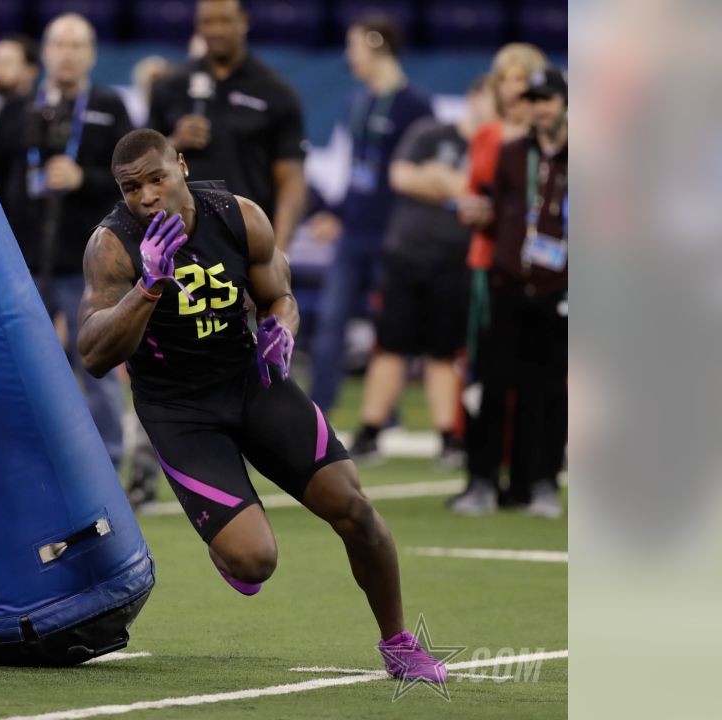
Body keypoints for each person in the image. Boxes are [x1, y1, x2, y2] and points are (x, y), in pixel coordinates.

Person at [78, 128, 447, 682]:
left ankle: (398, 644)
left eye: (157, 178)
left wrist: (283, 325)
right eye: (133, 189)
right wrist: (148, 287)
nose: (148, 196)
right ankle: (229, 544)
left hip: (252, 379)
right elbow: (93, 353)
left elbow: (281, 293)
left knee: (355, 510)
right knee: (254, 560)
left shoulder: (237, 214)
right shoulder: (112, 245)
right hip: (180, 410)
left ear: (180, 165)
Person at [0, 13, 133, 472]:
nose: (67, 54)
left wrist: (82, 178)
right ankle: (23, 460)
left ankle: (107, 465)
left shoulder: (110, 107)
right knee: (20, 366)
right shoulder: (16, 110)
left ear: (91, 55)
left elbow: (132, 185)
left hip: (93, 264)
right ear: (44, 54)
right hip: (25, 261)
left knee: (99, 366)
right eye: (59, 45)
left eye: (77, 46)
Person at [349, 76, 495, 468]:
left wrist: (442, 179)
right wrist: (459, 190)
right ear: (473, 96)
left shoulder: (493, 147)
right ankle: (370, 431)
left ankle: (448, 437)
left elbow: (484, 198)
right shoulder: (430, 132)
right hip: (406, 254)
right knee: (390, 346)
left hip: (456, 260)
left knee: (443, 353)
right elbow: (402, 177)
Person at [449, 68, 569, 518]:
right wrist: (479, 215)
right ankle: (481, 482)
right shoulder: (513, 153)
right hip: (507, 283)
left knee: (548, 393)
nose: (539, 107)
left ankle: (539, 484)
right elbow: (498, 209)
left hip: (560, 289)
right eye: (533, 98)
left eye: (548, 98)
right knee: (492, 386)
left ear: (565, 103)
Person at [306, 15, 433, 413]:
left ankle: (384, 417)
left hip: (393, 236)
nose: (350, 55)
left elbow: (416, 176)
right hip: (353, 234)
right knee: (329, 325)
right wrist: (339, 214)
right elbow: (355, 173)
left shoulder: (416, 106)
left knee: (390, 332)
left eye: (355, 45)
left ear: (377, 45)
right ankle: (316, 414)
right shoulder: (356, 102)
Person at [147, 0, 309, 250]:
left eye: (224, 20)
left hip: (245, 240)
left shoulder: (275, 91)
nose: (215, 30)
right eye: (207, 22)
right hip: (178, 242)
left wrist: (279, 249)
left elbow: (291, 180)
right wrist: (175, 141)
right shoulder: (170, 86)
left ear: (243, 21)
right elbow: (142, 165)